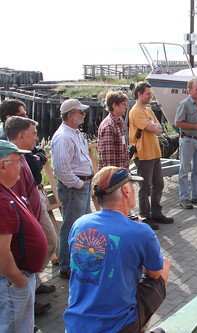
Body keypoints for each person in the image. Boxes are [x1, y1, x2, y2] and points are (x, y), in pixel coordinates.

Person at [64, 166, 170, 332]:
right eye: (133, 186)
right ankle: (138, 328)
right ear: (126, 191)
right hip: (117, 327)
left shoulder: (80, 224)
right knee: (164, 265)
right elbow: (155, 273)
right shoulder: (140, 231)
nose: (135, 190)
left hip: (75, 324)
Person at [6, 116, 57, 314]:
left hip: (35, 214)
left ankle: (32, 282)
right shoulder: (12, 161)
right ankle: (27, 287)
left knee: (49, 244)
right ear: (21, 135)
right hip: (28, 221)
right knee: (27, 258)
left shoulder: (22, 155)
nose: (37, 138)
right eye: (34, 134)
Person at [0, 140, 47, 332]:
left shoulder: (6, 189)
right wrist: (18, 280)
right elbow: (1, 251)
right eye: (18, 161)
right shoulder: (1, 201)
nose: (22, 166)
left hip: (19, 277)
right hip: (13, 281)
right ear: (3, 165)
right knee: (14, 326)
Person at [51, 99, 94, 279]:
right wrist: (79, 183)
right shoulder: (64, 136)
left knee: (81, 225)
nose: (84, 114)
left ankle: (77, 261)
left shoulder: (74, 133)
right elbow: (61, 169)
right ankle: (66, 266)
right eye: (80, 112)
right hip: (74, 188)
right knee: (71, 227)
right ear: (70, 115)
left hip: (81, 185)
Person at [129, 82, 174, 227]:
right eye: (148, 94)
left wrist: (154, 127)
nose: (150, 96)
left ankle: (156, 213)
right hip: (143, 155)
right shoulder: (135, 111)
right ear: (139, 94)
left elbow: (158, 128)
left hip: (154, 153)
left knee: (159, 184)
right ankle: (145, 216)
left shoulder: (148, 110)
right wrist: (154, 127)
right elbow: (150, 127)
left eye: (151, 94)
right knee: (145, 187)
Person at [175, 77, 197, 209]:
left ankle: (196, 195)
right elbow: (178, 123)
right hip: (188, 139)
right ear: (189, 90)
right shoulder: (184, 104)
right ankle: (184, 198)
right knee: (184, 169)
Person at [98, 90, 130, 170]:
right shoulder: (108, 126)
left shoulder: (119, 123)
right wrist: (114, 177)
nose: (126, 107)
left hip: (121, 173)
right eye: (123, 104)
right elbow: (108, 159)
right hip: (113, 177)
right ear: (114, 105)